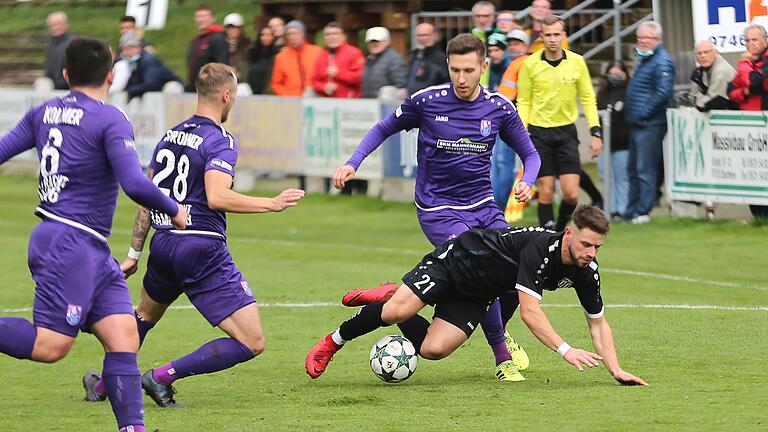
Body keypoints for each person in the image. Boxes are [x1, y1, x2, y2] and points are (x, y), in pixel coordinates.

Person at [81, 63, 306, 408]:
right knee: (252, 341)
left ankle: (105, 387)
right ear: (227, 95)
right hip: (201, 246)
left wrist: (134, 254)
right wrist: (271, 203)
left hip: (164, 244)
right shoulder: (220, 139)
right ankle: (161, 377)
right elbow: (217, 196)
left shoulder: (169, 136)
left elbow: (147, 195)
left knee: (144, 314)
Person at [0, 37, 187, 432]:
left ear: (65, 74)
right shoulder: (109, 118)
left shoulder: (44, 111)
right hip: (71, 244)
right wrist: (173, 208)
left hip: (85, 246)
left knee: (123, 336)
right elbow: (135, 183)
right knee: (52, 346)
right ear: (112, 74)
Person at [333, 33, 541, 382]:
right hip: (437, 209)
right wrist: (353, 162)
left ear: (484, 67)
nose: (461, 78)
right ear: (447, 65)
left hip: (483, 207)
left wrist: (528, 180)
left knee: (517, 266)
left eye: (469, 70)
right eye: (455, 70)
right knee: (481, 262)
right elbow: (384, 128)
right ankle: (502, 357)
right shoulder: (427, 101)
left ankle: (394, 294)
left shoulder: (499, 107)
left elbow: (531, 154)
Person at [306, 205, 648, 389]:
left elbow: (598, 324)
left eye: (598, 247)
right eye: (586, 244)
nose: (591, 252)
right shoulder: (540, 248)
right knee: (395, 313)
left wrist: (616, 369)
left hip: (479, 292)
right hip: (456, 262)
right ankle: (334, 340)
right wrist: (565, 350)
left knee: (433, 350)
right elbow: (531, 312)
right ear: (569, 233)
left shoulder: (587, 270)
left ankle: (395, 293)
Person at [517, 15, 603, 231]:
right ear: (541, 37)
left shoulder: (577, 62)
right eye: (548, 35)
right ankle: (548, 235)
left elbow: (588, 98)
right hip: (538, 133)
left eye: (557, 34)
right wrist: (521, 133)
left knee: (571, 193)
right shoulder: (530, 64)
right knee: (546, 190)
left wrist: (595, 132)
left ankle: (557, 231)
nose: (553, 39)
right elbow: (524, 101)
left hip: (566, 132)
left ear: (564, 35)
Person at [624, 21, 674, 224]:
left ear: (658, 40)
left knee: (645, 169)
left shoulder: (662, 61)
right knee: (633, 169)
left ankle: (643, 211)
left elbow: (663, 92)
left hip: (650, 124)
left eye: (648, 38)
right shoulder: (646, 59)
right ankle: (631, 211)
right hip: (639, 124)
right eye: (640, 37)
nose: (643, 41)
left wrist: (644, 113)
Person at [727, 24, 768, 219]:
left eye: (755, 40)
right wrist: (743, 92)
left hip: (763, 125)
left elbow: (756, 83)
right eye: (747, 40)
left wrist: (744, 65)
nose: (750, 44)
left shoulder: (756, 62)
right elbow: (731, 91)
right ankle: (758, 216)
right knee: (753, 171)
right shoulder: (751, 63)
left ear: (765, 41)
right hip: (749, 128)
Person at [597, 61, 631, 219]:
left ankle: (622, 209)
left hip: (623, 143)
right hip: (603, 143)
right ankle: (609, 209)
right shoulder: (602, 94)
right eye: (612, 74)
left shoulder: (629, 92)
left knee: (622, 177)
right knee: (606, 177)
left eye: (619, 74)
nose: (615, 77)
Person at [120, 32, 182, 100]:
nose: (125, 52)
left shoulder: (149, 60)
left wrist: (130, 91)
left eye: (127, 48)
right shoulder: (134, 62)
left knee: (172, 88)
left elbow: (150, 84)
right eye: (124, 49)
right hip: (157, 90)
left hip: (169, 88)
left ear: (137, 47)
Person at [270, 20, 324, 96]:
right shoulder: (281, 57)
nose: (292, 37)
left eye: (295, 33)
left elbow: (324, 75)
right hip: (290, 100)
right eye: (289, 34)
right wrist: (286, 95)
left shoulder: (317, 51)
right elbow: (276, 83)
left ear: (303, 34)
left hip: (313, 97)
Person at [312, 21, 365, 98]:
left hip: (349, 103)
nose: (331, 37)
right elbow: (314, 81)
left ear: (344, 36)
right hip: (326, 103)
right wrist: (323, 87)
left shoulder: (354, 52)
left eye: (335, 34)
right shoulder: (321, 56)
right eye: (327, 34)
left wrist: (338, 74)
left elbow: (360, 77)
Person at [186, 4, 228, 92]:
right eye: (198, 16)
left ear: (212, 18)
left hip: (209, 90)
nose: (200, 19)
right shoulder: (195, 40)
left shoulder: (218, 38)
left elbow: (221, 66)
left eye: (204, 16)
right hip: (194, 88)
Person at [361, 27, 408, 98]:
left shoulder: (394, 59)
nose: (374, 44)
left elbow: (401, 86)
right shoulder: (368, 59)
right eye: (371, 41)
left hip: (386, 106)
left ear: (387, 41)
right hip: (369, 104)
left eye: (377, 41)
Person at [690, 41, 736, 111]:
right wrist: (698, 83)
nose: (702, 56)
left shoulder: (721, 70)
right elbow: (691, 98)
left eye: (706, 52)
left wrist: (697, 97)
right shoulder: (703, 70)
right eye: (699, 53)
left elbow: (710, 103)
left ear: (715, 53)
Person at [406, 22, 448, 96]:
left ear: (435, 36)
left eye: (425, 35)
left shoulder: (441, 58)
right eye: (419, 35)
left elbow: (445, 82)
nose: (421, 38)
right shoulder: (414, 55)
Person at [44, 11, 75, 90]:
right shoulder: (51, 44)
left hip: (69, 88)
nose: (55, 28)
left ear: (66, 24)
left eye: (58, 24)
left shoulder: (73, 43)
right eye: (52, 25)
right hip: (53, 88)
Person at [246, 27, 279, 94]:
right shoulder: (251, 52)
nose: (265, 38)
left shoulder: (277, 54)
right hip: (251, 89)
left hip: (269, 91)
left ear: (273, 37)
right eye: (262, 35)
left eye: (268, 35)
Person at [223, 13, 251, 83]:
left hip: (242, 81)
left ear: (240, 29)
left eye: (235, 27)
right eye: (230, 28)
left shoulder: (248, 44)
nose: (232, 30)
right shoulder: (221, 44)